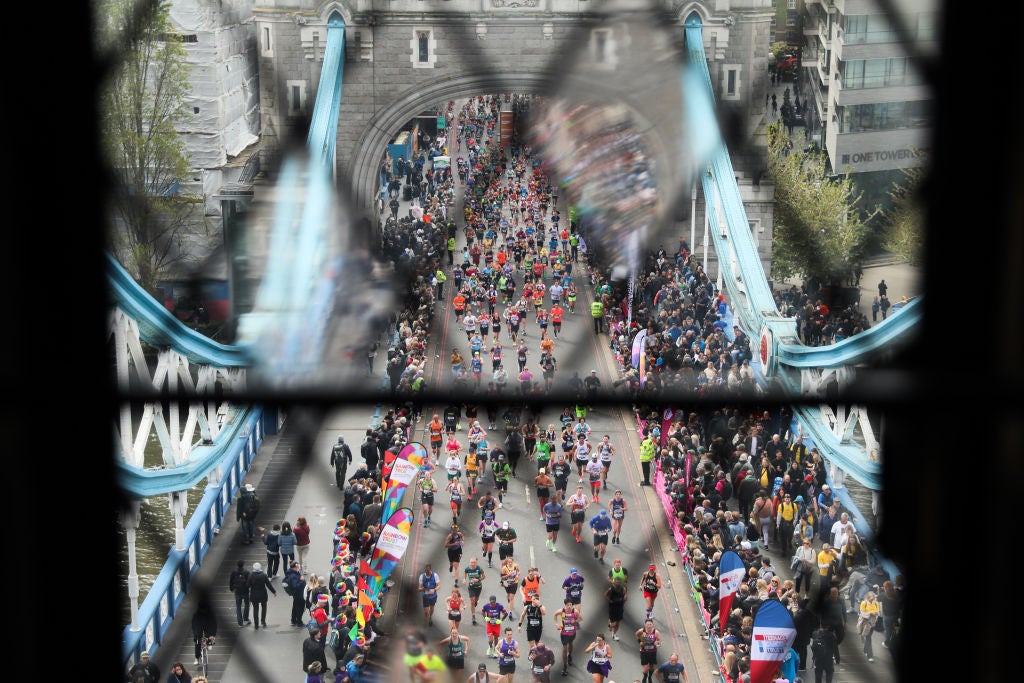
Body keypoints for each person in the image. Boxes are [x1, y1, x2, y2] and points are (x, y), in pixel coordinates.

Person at [554, 599, 583, 675]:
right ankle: (564, 666)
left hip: (572, 633)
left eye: (571, 605)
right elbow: (555, 615)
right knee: (564, 649)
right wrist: (556, 624)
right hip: (564, 633)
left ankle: (570, 655)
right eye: (568, 605)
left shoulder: (575, 611)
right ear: (565, 605)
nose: (569, 606)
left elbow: (581, 618)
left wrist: (575, 621)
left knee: (570, 644)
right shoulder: (562, 611)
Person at [247, 561, 276, 629]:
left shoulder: (251, 575)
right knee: (264, 607)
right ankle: (263, 621)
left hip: (254, 594)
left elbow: (248, 585)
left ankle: (256, 625)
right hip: (263, 594)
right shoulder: (264, 575)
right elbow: (268, 585)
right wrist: (274, 592)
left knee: (255, 609)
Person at [190, 596, 217, 667]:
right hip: (199, 628)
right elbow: (194, 626)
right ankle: (197, 658)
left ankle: (209, 642)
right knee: (197, 643)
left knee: (209, 635)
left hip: (208, 627)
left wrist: (212, 635)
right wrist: (196, 636)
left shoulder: (211, 614)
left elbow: (214, 625)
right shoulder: (196, 615)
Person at [857, 590, 881, 662]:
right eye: (871, 599)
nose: (873, 600)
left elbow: (879, 612)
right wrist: (871, 613)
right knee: (868, 638)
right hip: (865, 623)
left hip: (872, 623)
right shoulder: (863, 603)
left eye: (874, 599)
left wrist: (877, 613)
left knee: (868, 637)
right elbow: (862, 613)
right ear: (868, 598)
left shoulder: (876, 603)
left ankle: (865, 650)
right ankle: (870, 655)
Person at [463, 557, 487, 625]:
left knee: (476, 600)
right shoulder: (467, 569)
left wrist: (478, 580)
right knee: (472, 602)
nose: (472, 564)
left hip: (478, 587)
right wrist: (464, 579)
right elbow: (465, 573)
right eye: (471, 562)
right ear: (469, 563)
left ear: (476, 563)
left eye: (474, 562)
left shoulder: (479, 568)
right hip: (471, 587)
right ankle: (473, 616)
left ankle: (476, 601)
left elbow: (484, 576)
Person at [284, 560, 307, 627]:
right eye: (298, 566)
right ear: (294, 567)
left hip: (297, 594)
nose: (299, 567)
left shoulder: (293, 572)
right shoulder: (293, 575)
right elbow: (295, 586)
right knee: (300, 608)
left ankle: (293, 620)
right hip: (299, 594)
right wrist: (301, 581)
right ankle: (299, 622)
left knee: (295, 607)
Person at [604, 575, 627, 641]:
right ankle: (610, 625)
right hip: (613, 607)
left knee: (618, 623)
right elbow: (605, 594)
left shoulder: (623, 589)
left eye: (619, 582)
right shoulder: (611, 589)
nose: (618, 583)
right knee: (614, 623)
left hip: (620, 607)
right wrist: (609, 600)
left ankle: (614, 634)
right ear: (614, 582)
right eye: (616, 582)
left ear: (620, 582)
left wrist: (625, 598)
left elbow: (625, 595)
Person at [229, 559, 251, 627]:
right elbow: (249, 582)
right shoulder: (247, 572)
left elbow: (231, 581)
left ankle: (240, 623)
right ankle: (246, 619)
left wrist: (231, 588)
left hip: (237, 591)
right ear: (243, 565)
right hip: (245, 591)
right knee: (247, 604)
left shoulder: (234, 572)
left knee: (238, 606)